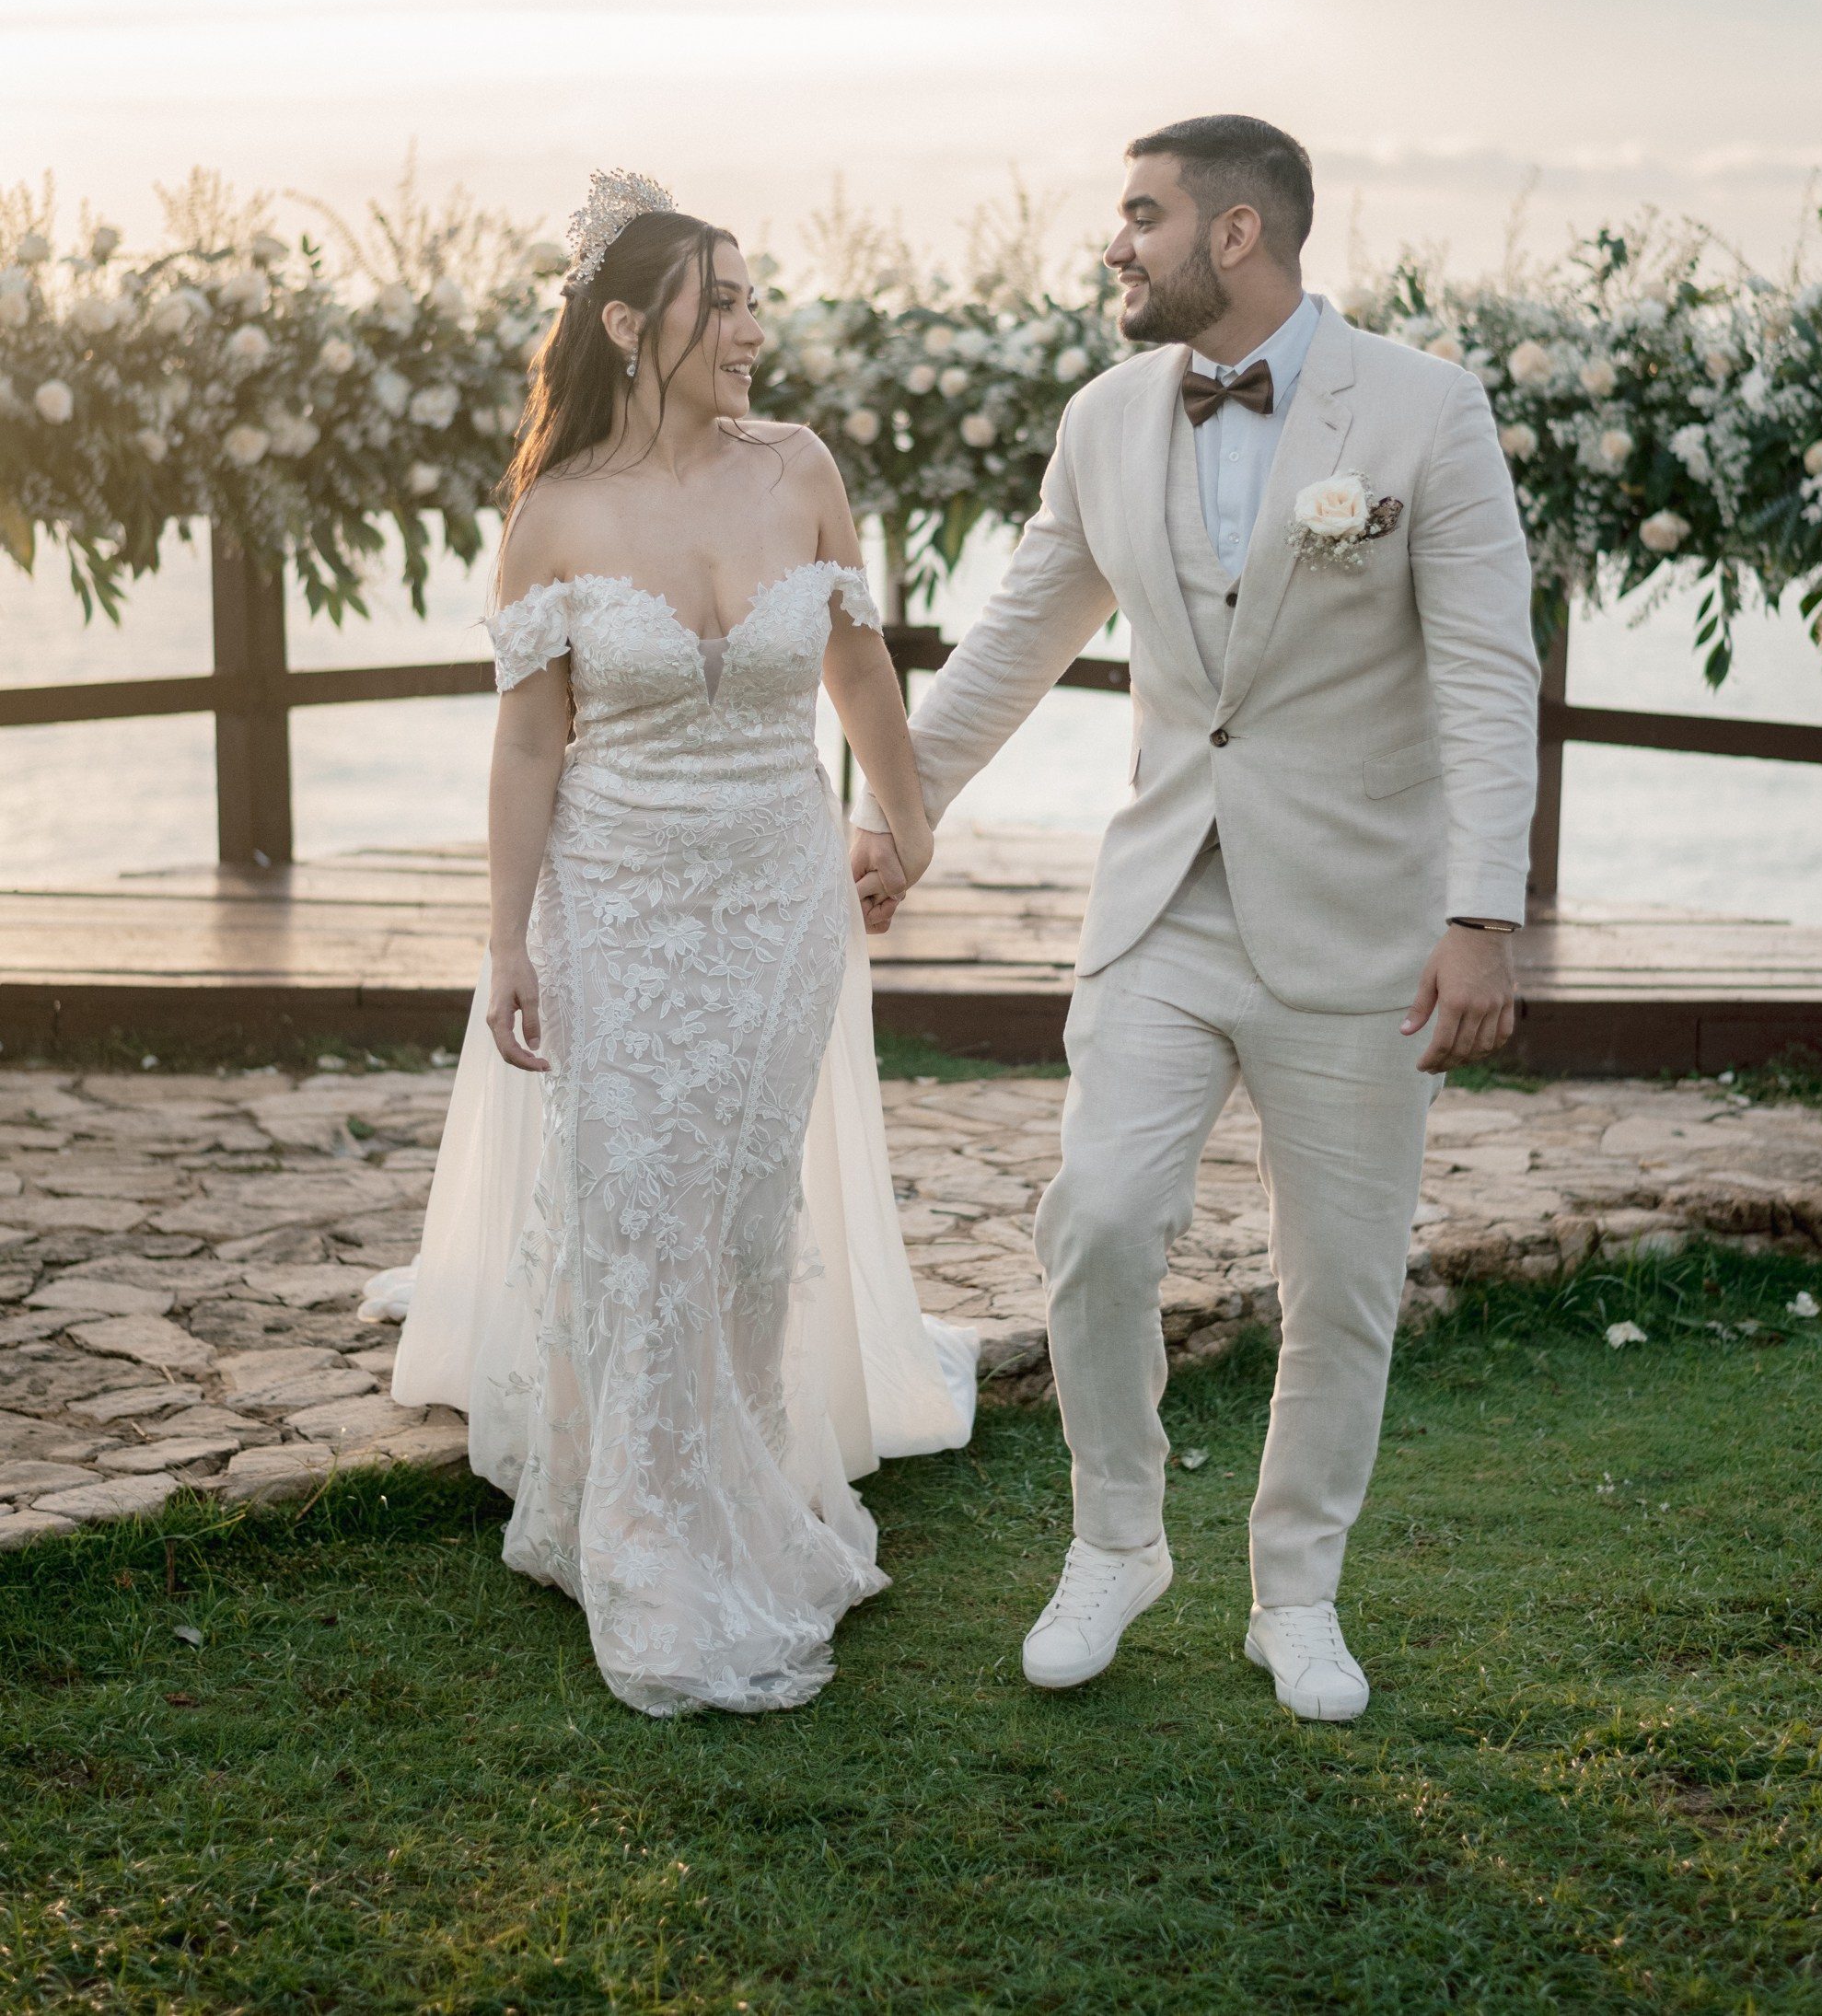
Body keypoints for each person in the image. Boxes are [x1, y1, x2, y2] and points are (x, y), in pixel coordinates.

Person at [852, 115, 1538, 1721]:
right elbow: (1015, 639)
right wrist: (904, 814)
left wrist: (1481, 915)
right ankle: (1117, 1540)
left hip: (1366, 922)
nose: (1117, 241)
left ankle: (1297, 1591)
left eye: (1142, 215)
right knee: (1094, 1220)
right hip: (1164, 901)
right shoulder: (1102, 419)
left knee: (1345, 1283)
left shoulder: (1427, 412)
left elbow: (1493, 675)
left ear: (1238, 236)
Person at [386, 169, 975, 1720]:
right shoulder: (557, 514)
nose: (756, 331)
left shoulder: (800, 472)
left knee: (737, 1218)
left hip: (779, 901)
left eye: (755, 297)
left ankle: (744, 1480)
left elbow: (859, 671)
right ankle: (642, 1529)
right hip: (621, 899)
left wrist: (908, 825)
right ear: (635, 324)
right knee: (639, 1207)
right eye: (726, 303)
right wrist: (504, 944)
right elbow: (528, 750)